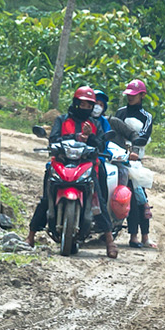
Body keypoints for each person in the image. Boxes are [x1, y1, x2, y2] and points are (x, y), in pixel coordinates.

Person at [28, 87, 118, 258]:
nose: (84, 107)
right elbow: (53, 139)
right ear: (76, 103)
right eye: (81, 103)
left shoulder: (95, 124)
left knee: (98, 198)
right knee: (47, 197)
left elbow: (100, 145)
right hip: (61, 163)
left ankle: (109, 240)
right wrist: (75, 137)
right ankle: (30, 236)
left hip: (85, 166)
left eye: (88, 105)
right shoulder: (61, 120)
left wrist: (90, 136)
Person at [110, 78, 159, 249]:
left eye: (134, 95)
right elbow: (113, 132)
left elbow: (143, 138)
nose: (131, 98)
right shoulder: (120, 112)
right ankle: (131, 236)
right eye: (129, 95)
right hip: (119, 159)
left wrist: (133, 150)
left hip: (135, 161)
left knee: (140, 198)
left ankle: (143, 237)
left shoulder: (146, 117)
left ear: (142, 95)